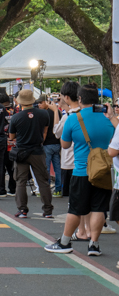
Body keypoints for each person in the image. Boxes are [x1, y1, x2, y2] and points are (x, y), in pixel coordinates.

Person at [45, 84, 118, 256]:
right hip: (104, 171)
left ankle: (64, 242)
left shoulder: (73, 118)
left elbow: (65, 144)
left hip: (81, 171)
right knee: (99, 209)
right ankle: (94, 244)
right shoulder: (108, 118)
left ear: (80, 99)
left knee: (75, 209)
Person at [8, 90, 53, 218]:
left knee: (21, 181)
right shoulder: (44, 114)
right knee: (42, 180)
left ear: (20, 102)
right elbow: (45, 131)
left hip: (22, 151)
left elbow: (12, 136)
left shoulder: (16, 117)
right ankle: (48, 210)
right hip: (38, 151)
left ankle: (22, 209)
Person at [37, 94, 63, 198]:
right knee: (57, 168)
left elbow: (43, 130)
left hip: (47, 144)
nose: (39, 105)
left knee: (46, 168)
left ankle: (45, 190)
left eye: (40, 102)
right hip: (57, 143)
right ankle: (58, 189)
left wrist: (41, 141)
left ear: (46, 102)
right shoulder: (58, 112)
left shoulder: (44, 114)